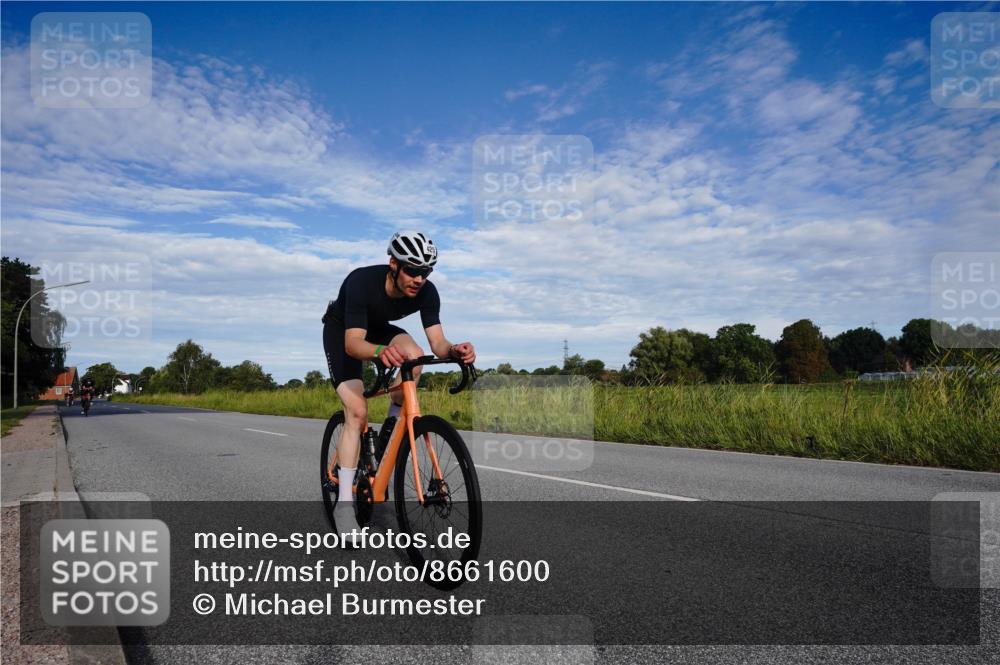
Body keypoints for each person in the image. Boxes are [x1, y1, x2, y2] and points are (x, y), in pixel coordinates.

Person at [322, 230, 476, 544]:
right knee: (357, 410)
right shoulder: (361, 282)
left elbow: (437, 343)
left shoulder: (427, 292)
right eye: (413, 270)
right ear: (393, 263)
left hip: (382, 330)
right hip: (344, 333)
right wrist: (379, 352)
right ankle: (344, 506)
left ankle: (392, 424)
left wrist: (454, 350)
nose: (420, 278)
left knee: (416, 356)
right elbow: (354, 344)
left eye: (426, 271)